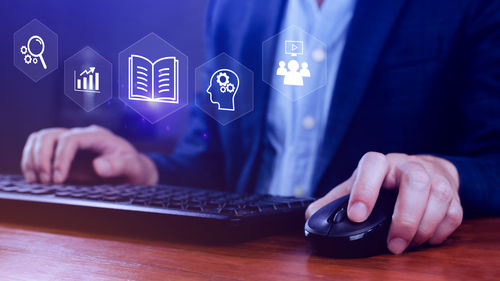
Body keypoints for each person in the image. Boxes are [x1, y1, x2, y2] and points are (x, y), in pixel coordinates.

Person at [21, 0, 500, 255]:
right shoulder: (234, 7)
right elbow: (209, 160)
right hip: (233, 261)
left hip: (375, 265)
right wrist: (142, 170)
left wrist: (442, 173)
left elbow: (492, 160)